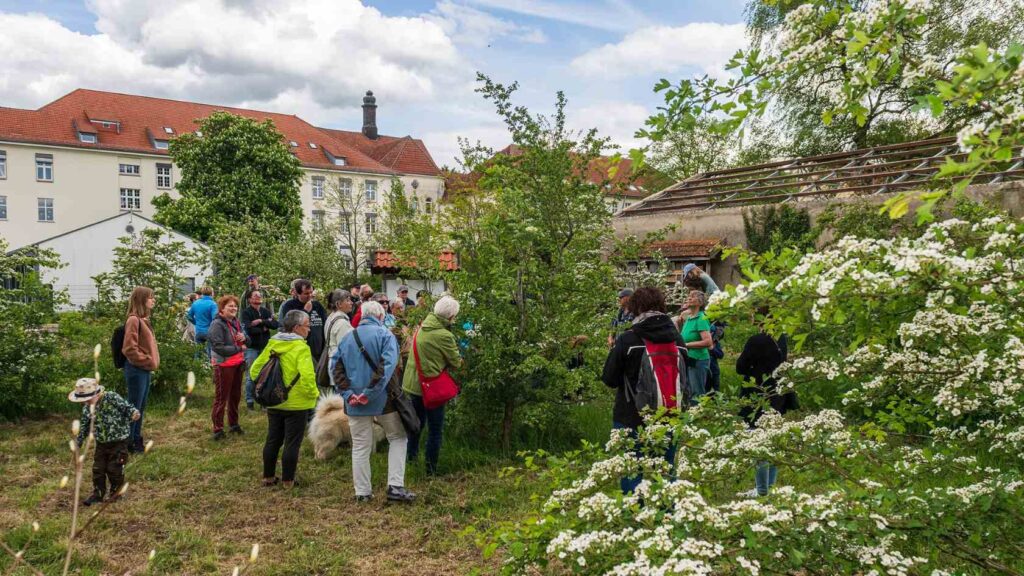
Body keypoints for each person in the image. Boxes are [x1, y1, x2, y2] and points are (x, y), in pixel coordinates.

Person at [601, 286, 687, 494]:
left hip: (630, 414)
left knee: (631, 469)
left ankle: (634, 515)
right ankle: (666, 517)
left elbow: (609, 379)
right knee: (665, 470)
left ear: (635, 308)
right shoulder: (677, 340)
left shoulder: (628, 339)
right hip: (669, 413)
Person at [332, 301, 416, 503]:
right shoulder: (386, 335)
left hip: (354, 401)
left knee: (360, 446)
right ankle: (395, 486)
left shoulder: (347, 337)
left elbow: (336, 368)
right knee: (397, 437)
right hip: (384, 399)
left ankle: (362, 493)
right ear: (380, 316)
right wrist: (369, 393)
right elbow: (386, 368)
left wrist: (348, 394)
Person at [251, 310, 319, 489]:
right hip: (297, 404)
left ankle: (268, 476)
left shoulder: (272, 343)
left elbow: (254, 371)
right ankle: (288, 480)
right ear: (297, 328)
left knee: (273, 439)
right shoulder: (301, 348)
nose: (309, 330)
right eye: (307, 326)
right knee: (292, 442)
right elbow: (307, 376)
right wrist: (314, 394)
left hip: (274, 400)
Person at [735, 306, 797, 497]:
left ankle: (761, 490)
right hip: (778, 393)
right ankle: (768, 486)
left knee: (758, 441)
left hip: (758, 394)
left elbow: (740, 367)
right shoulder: (781, 338)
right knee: (772, 440)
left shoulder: (757, 340)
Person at [403, 295, 462, 476]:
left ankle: (410, 460)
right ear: (450, 316)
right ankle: (430, 470)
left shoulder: (422, 326)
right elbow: (456, 362)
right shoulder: (444, 335)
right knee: (435, 430)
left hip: (413, 384)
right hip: (430, 387)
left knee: (416, 425)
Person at [70, 377, 140, 506]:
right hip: (101, 443)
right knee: (98, 469)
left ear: (97, 394)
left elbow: (126, 407)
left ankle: (116, 494)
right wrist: (78, 442)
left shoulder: (111, 398)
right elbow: (85, 427)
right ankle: (98, 494)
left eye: (88, 399)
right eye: (83, 401)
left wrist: (133, 413)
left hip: (119, 441)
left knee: (114, 469)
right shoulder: (87, 409)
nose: (86, 403)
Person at [121, 286, 159, 454]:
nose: (153, 300)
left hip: (143, 370)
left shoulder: (143, 320)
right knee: (134, 407)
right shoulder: (133, 320)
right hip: (136, 370)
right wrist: (147, 361)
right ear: (142, 300)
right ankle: (129, 441)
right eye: (150, 297)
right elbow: (129, 349)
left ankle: (136, 438)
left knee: (140, 407)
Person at [209, 295, 249, 440]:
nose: (233, 308)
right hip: (223, 365)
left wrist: (244, 338)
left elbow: (247, 340)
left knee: (235, 396)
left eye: (235, 306)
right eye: (230, 306)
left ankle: (234, 424)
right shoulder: (217, 324)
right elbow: (218, 347)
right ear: (222, 309)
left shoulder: (235, 322)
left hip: (237, 364)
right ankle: (218, 429)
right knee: (221, 398)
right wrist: (239, 349)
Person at [241, 290, 279, 410]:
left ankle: (263, 400)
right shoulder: (246, 313)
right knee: (251, 374)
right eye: (255, 295)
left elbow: (275, 324)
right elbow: (248, 329)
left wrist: (261, 321)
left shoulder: (265, 311)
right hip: (252, 347)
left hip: (265, 347)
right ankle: (250, 401)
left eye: (259, 295)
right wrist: (264, 328)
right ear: (249, 299)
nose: (258, 296)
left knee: (265, 374)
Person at [676, 290, 713, 402]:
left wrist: (686, 345)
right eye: (689, 296)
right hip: (689, 359)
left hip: (698, 360)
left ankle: (697, 415)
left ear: (700, 303)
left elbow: (708, 342)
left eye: (693, 297)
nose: (689, 298)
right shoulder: (690, 317)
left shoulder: (701, 318)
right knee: (688, 390)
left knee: (696, 392)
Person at [279, 278, 328, 362]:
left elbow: (325, 323)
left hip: (319, 352)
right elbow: (290, 326)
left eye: (311, 292)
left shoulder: (317, 305)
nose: (310, 295)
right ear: (298, 293)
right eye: (306, 293)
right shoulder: (289, 306)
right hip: (299, 352)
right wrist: (305, 311)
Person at [324, 289, 354, 396]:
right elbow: (347, 350)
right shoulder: (342, 323)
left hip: (333, 366)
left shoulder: (331, 317)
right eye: (348, 300)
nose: (351, 303)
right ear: (338, 304)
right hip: (340, 369)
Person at [188, 286, 218, 352]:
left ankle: (197, 362)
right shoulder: (213, 304)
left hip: (198, 331)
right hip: (209, 331)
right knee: (210, 353)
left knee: (198, 353)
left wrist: (196, 323)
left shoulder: (195, 303)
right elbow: (215, 318)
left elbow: (189, 316)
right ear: (212, 293)